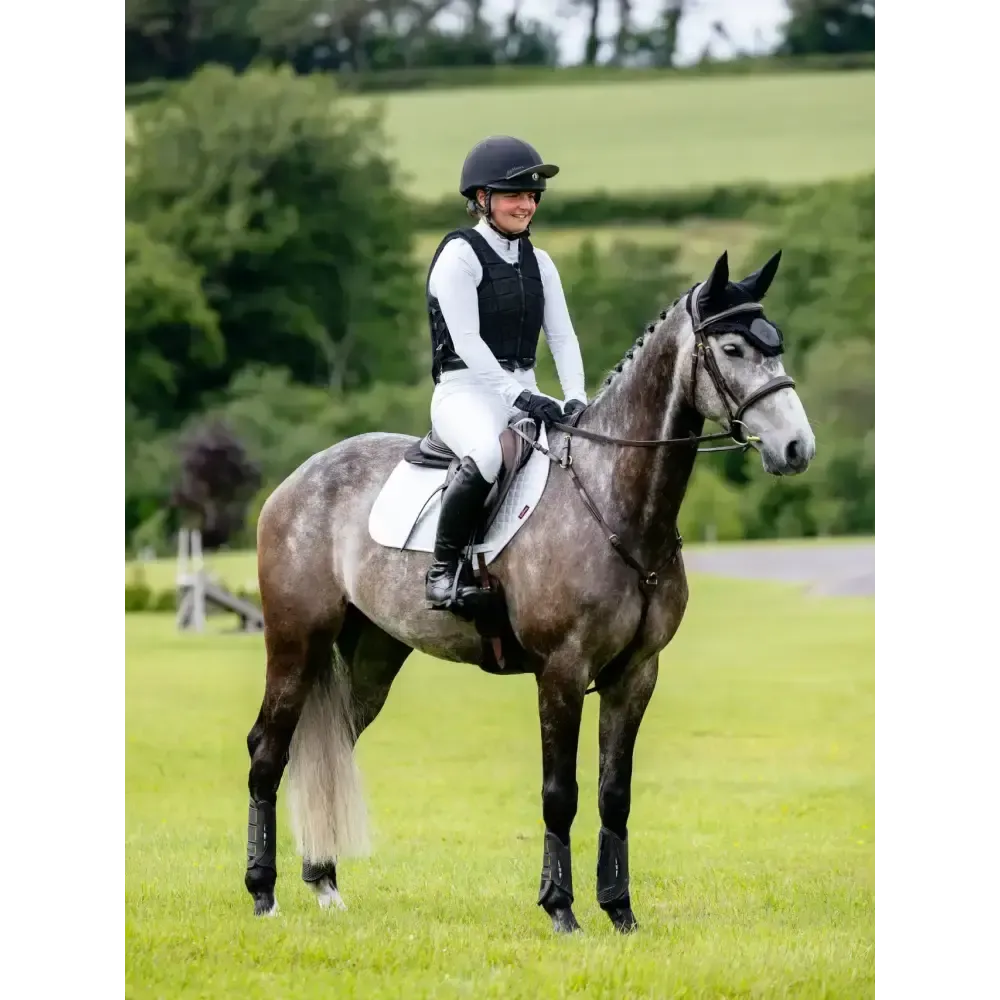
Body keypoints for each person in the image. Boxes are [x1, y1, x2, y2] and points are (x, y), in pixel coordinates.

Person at [424, 135, 589, 611]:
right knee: (488, 456)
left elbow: (562, 337)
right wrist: (520, 398)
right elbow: (467, 342)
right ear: (482, 199)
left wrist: (574, 396)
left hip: (524, 388)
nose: (527, 205)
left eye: (532, 196)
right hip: (465, 391)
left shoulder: (541, 263)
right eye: (515, 195)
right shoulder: (458, 257)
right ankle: (443, 571)